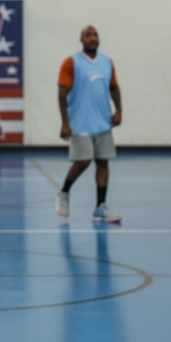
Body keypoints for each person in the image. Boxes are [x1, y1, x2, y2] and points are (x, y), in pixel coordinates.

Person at [55, 25, 123, 224]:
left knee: (103, 161)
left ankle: (100, 208)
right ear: (81, 40)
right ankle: (64, 192)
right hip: (80, 122)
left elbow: (114, 87)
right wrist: (65, 122)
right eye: (88, 35)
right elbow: (61, 92)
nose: (92, 38)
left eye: (95, 35)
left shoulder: (106, 62)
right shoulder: (71, 62)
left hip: (103, 121)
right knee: (83, 161)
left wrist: (118, 110)